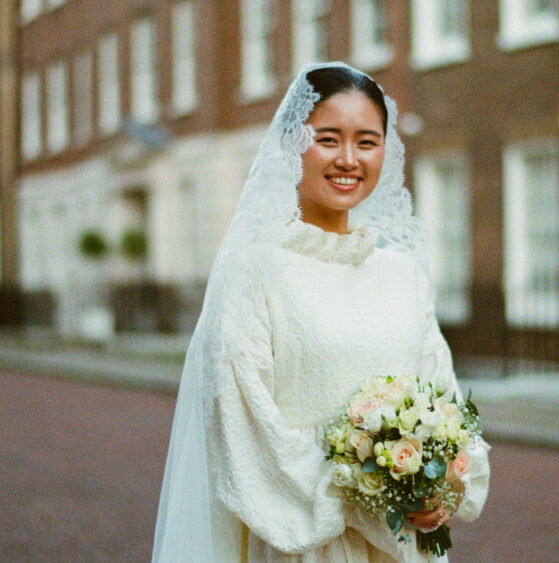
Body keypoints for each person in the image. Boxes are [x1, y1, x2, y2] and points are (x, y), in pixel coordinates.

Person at [152, 62, 490, 562]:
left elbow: (445, 398)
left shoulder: (404, 277)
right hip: (304, 544)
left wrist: (442, 487)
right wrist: (364, 494)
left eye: (367, 142)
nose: (349, 159)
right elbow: (242, 425)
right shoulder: (254, 271)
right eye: (328, 139)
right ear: (292, 145)